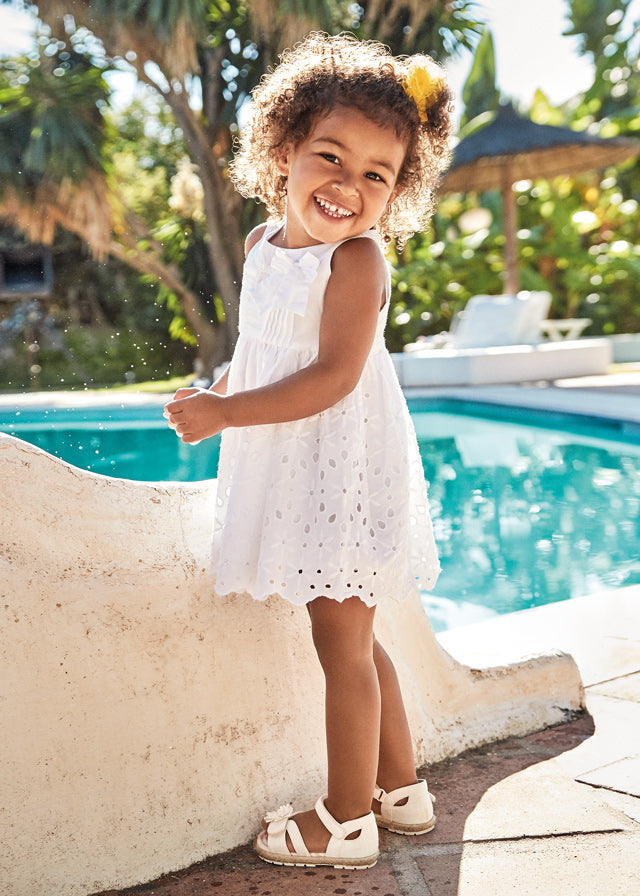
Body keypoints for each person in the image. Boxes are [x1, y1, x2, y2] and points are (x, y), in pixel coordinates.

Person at [164, 31, 453, 870]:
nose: (348, 187)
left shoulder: (359, 262)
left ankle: (346, 818)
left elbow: (329, 378)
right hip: (300, 462)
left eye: (377, 175)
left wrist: (227, 415)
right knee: (354, 635)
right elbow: (268, 347)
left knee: (342, 644)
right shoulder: (261, 246)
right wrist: (222, 386)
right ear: (283, 148)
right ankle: (402, 790)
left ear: (397, 192)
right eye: (331, 157)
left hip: (346, 466)